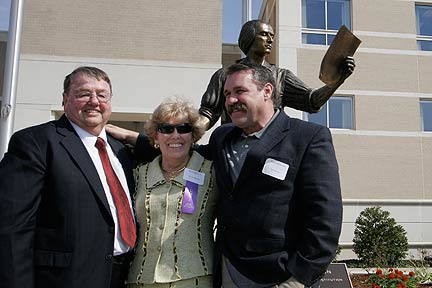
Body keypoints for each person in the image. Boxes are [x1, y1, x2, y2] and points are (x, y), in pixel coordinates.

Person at [107, 62, 343, 288]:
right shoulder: (223, 137)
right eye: (227, 93)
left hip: (279, 274)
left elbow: (325, 219)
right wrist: (129, 137)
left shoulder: (308, 137)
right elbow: (182, 150)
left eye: (240, 91)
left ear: (267, 91)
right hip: (228, 273)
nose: (230, 101)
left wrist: (298, 279)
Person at [0, 66, 136, 288]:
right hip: (66, 279)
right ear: (65, 99)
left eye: (102, 95)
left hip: (123, 277)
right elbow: (12, 229)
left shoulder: (120, 150)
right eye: (84, 94)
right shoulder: (36, 142)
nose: (94, 101)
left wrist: (135, 137)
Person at [126, 97, 217, 288]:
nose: (175, 135)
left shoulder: (212, 173)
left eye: (183, 128)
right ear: (155, 137)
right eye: (166, 129)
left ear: (193, 136)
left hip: (195, 280)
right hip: (141, 280)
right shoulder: (137, 176)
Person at [198, 19, 356, 129]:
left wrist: (338, 81)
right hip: (232, 145)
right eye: (264, 35)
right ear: (250, 37)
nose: (270, 40)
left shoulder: (281, 76)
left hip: (271, 146)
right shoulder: (224, 75)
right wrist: (188, 134)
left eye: (272, 36)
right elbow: (208, 113)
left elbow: (312, 101)